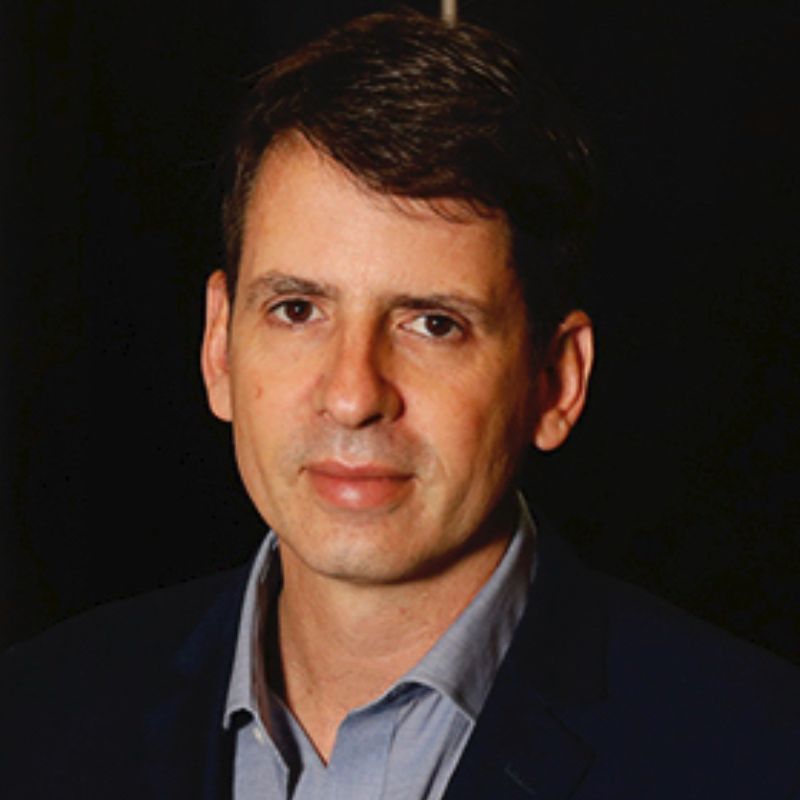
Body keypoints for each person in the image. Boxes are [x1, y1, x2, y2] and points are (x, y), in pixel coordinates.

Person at [2, 11, 798, 800]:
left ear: (555, 381)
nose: (352, 396)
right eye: (297, 310)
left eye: (432, 324)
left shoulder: (757, 755)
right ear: (219, 346)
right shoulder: (37, 717)